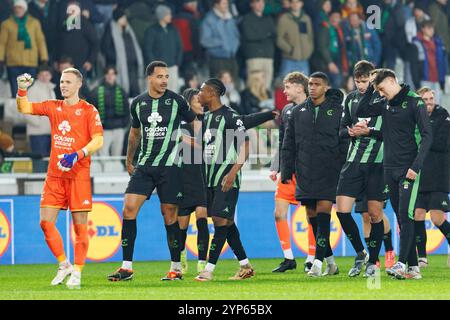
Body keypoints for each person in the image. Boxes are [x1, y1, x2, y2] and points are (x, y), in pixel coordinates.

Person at [107, 61, 201, 282]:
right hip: (145, 166)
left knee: (170, 215)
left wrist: (197, 146)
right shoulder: (138, 103)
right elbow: (134, 134)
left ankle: (176, 268)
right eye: (160, 76)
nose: (164, 80)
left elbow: (195, 122)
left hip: (170, 167)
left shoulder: (177, 101)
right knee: (128, 208)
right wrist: (129, 160)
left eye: (167, 76)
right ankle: (126, 267)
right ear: (149, 78)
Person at [15, 68, 104, 289]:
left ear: (79, 85)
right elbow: (24, 108)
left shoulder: (88, 110)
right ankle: (64, 264)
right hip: (55, 175)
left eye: (68, 82)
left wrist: (77, 154)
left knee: (80, 228)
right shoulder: (53, 106)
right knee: (45, 223)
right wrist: (22, 90)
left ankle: (78, 272)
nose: (63, 85)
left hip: (78, 176)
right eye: (62, 81)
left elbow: (98, 140)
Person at [356, 69, 432, 280]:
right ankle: (414, 268)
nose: (380, 93)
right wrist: (371, 89)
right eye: (377, 90)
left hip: (409, 168)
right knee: (400, 217)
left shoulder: (414, 102)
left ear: (391, 81)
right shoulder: (384, 103)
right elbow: (361, 110)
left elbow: (427, 137)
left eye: (381, 89)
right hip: (389, 168)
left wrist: (415, 167)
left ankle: (401, 263)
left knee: (406, 215)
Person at [281, 72, 344, 277]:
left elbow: (343, 141)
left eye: (317, 84)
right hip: (305, 170)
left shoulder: (337, 111)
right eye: (310, 84)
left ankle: (316, 262)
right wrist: (286, 170)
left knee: (324, 211)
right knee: (312, 217)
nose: (312, 87)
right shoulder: (298, 112)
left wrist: (341, 165)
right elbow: (288, 144)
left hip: (329, 170)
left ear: (325, 87)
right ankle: (331, 262)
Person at [194, 78, 253, 282]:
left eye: (201, 91)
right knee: (225, 222)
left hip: (226, 178)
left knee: (220, 220)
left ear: (212, 93)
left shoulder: (230, 116)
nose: (198, 94)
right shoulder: (206, 118)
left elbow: (246, 146)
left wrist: (233, 173)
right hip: (210, 179)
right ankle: (245, 266)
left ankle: (209, 270)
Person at [337, 60, 391, 277]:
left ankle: (374, 261)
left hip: (377, 164)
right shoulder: (350, 100)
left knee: (374, 214)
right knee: (342, 210)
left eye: (364, 80)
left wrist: (367, 132)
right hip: (353, 162)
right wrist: (350, 132)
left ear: (373, 77)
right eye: (357, 81)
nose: (360, 85)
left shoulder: (384, 99)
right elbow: (341, 129)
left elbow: (390, 133)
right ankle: (361, 252)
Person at [268, 71, 317, 273]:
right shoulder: (287, 110)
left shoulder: (315, 108)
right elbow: (283, 141)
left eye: (287, 87)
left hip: (309, 171)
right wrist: (275, 166)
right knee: (279, 213)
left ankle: (311, 258)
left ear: (299, 87)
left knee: (310, 215)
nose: (284, 91)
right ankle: (289, 258)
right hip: (289, 170)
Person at [414, 87, 450, 268]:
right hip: (420, 175)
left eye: (431, 99)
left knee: (436, 218)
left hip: (438, 175)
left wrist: (423, 138)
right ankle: (422, 257)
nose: (429, 103)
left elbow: (441, 144)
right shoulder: (415, 118)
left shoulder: (443, 117)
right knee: (418, 215)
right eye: (425, 100)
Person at [178, 88, 209, 274]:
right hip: (182, 177)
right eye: (199, 100)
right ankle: (181, 255)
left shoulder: (206, 124)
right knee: (181, 225)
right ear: (189, 102)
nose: (202, 102)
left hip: (201, 176)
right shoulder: (180, 124)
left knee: (202, 218)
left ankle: (202, 262)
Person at [0, 0, 48, 97]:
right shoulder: (6, 24)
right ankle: (16, 112)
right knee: (15, 93)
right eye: (16, 8)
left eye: (20, 7)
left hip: (30, 63)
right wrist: (0, 58)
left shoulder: (34, 23)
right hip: (13, 63)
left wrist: (44, 57)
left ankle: (27, 112)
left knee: (29, 93)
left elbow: (40, 41)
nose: (18, 10)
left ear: (25, 9)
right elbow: (2, 43)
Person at [101, 6, 144, 98]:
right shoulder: (110, 30)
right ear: (118, 19)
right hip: (119, 67)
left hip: (132, 66)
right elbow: (104, 48)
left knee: (135, 91)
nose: (125, 19)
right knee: (122, 91)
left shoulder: (128, 30)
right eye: (123, 17)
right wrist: (116, 58)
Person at [88, 66, 129, 160]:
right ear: (105, 75)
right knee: (103, 157)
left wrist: (123, 125)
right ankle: (104, 174)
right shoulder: (96, 92)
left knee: (117, 156)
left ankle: (115, 174)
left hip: (118, 129)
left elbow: (127, 111)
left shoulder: (122, 91)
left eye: (113, 74)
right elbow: (91, 110)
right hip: (104, 129)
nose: (110, 76)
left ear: (115, 76)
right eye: (108, 74)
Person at [143, 5, 183, 93]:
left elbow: (179, 47)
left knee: (173, 94)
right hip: (158, 70)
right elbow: (147, 50)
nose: (170, 16)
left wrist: (177, 63)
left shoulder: (173, 29)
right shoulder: (151, 31)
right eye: (168, 14)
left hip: (172, 68)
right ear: (162, 16)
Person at [200, 0, 240, 81]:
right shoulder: (208, 20)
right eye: (224, 3)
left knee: (233, 85)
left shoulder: (230, 18)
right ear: (216, 5)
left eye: (227, 3)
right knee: (218, 88)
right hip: (217, 59)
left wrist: (234, 47)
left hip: (231, 58)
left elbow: (236, 35)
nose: (226, 5)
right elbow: (204, 40)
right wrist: (222, 43)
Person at [240, 0, 276, 89]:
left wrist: (261, 35)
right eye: (257, 2)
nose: (260, 5)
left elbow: (274, 35)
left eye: (262, 2)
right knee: (253, 85)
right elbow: (249, 35)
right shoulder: (246, 18)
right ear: (252, 4)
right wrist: (266, 34)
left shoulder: (269, 18)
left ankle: (266, 103)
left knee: (267, 85)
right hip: (254, 56)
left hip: (268, 55)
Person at [354, 199, 396, 269]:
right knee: (365, 214)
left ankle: (389, 250)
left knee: (377, 212)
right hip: (359, 188)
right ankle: (373, 257)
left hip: (376, 188)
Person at [276, 0, 313, 77]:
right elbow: (279, 39)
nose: (295, 4)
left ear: (301, 4)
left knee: (303, 87)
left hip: (304, 60)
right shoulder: (284, 18)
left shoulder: (306, 18)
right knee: (286, 86)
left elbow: (310, 37)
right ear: (290, 4)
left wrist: (308, 51)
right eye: (293, 2)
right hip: (289, 60)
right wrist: (290, 50)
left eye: (298, 2)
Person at [24, 65, 55, 157]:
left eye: (47, 75)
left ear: (51, 76)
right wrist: (38, 123)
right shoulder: (33, 90)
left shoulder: (51, 90)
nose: (44, 77)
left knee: (50, 164)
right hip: (38, 133)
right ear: (38, 76)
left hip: (50, 132)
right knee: (40, 164)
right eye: (42, 75)